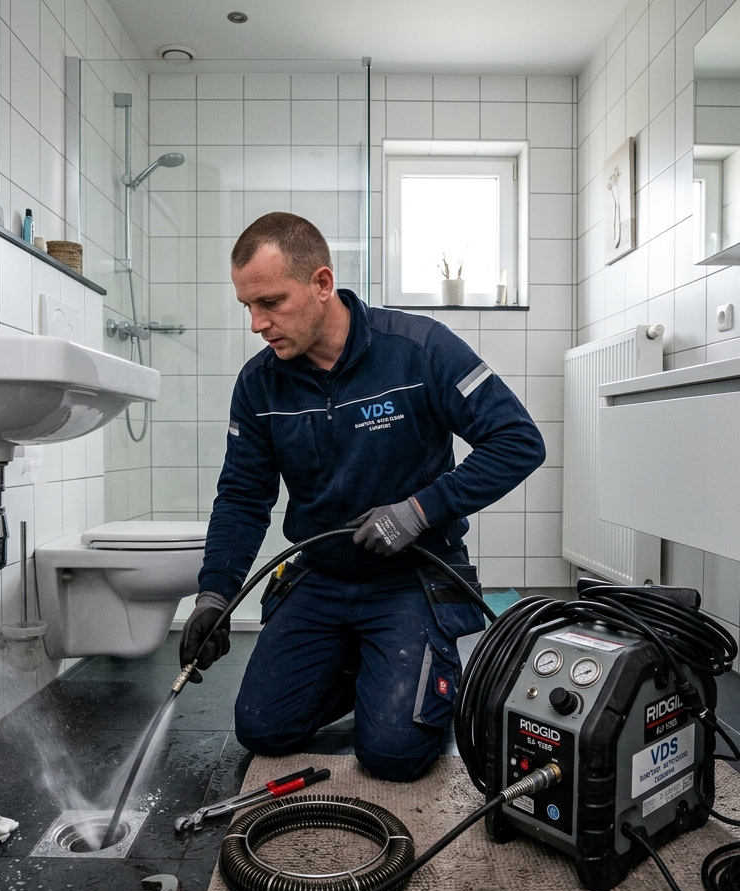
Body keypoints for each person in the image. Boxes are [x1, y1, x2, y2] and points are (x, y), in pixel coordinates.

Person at [180, 212, 545, 782]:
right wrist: (213, 594)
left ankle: (407, 672)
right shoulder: (260, 383)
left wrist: (419, 511)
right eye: (247, 306)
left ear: (322, 284)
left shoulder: (419, 350)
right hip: (321, 577)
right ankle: (370, 669)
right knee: (262, 729)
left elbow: (519, 442)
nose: (257, 323)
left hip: (410, 575)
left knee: (394, 755)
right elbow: (243, 495)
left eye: (271, 302)